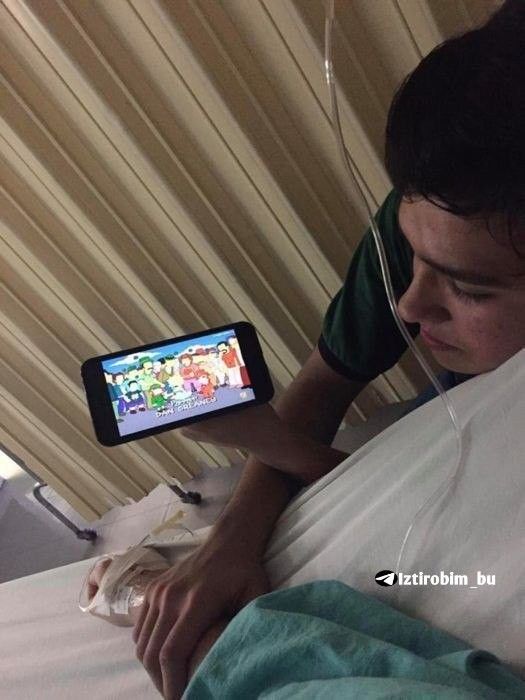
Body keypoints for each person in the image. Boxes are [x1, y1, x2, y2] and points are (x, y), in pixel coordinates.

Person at [131, 2, 525, 698]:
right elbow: (323, 384)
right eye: (410, 254)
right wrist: (233, 536)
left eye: (467, 288)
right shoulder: (447, 211)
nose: (409, 305)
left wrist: (277, 447)